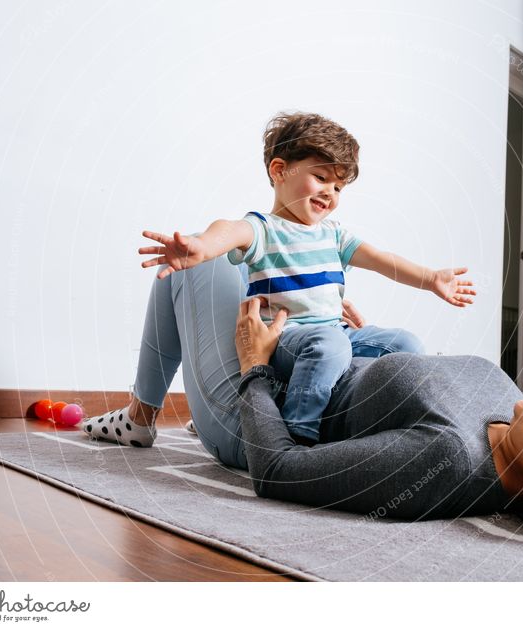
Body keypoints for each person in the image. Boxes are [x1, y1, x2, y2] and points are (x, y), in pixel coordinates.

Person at [81, 252, 523, 555]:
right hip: (320, 367)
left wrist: (254, 365)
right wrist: (337, 332)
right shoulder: (516, 416)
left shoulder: (445, 461)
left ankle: (144, 417)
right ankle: (152, 411)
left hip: (256, 412)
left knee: (196, 260)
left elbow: (276, 468)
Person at [129, 112, 475, 444]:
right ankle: (297, 430)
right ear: (279, 170)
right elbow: (228, 229)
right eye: (322, 178)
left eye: (339, 187)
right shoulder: (264, 229)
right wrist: (201, 246)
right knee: (329, 345)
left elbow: (382, 260)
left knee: (405, 343)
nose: (330, 193)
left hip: (333, 333)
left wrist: (431, 278)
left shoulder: (334, 235)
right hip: (287, 340)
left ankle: (385, 414)